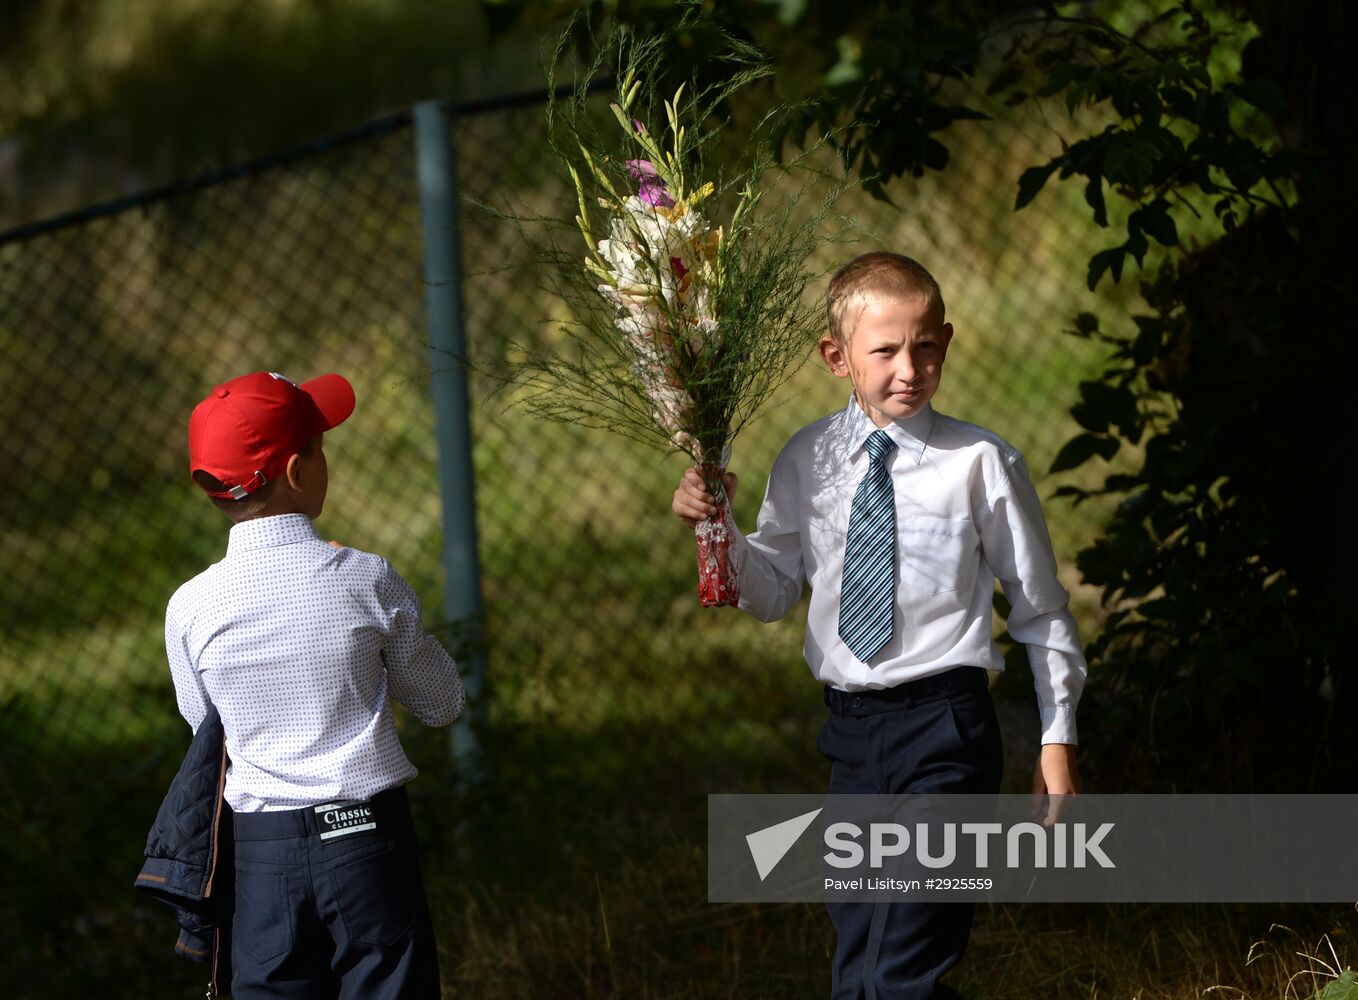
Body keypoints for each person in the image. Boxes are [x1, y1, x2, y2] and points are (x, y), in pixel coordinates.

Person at [672, 252, 1085, 1000]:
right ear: (837, 356)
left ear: (948, 342)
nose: (909, 368)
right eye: (885, 349)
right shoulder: (806, 459)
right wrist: (718, 525)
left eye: (925, 346)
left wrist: (1056, 739)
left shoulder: (982, 463)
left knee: (902, 969)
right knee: (858, 965)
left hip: (947, 732)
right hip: (854, 742)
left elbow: (1041, 610)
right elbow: (768, 594)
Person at [164, 370, 464, 999]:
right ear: (299, 471)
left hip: (261, 859)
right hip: (368, 845)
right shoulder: (365, 578)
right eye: (322, 450)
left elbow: (205, 727)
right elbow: (442, 703)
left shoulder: (190, 608)